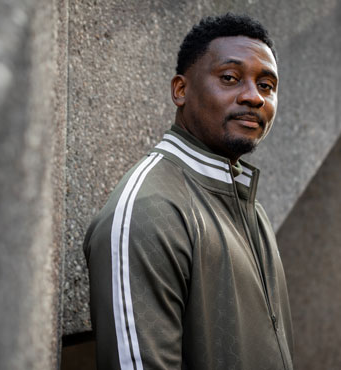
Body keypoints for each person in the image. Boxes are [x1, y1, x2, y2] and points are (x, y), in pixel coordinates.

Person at [83, 13, 293, 370]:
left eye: (267, 85)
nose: (253, 97)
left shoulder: (247, 206)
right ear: (181, 90)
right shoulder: (149, 209)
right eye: (230, 78)